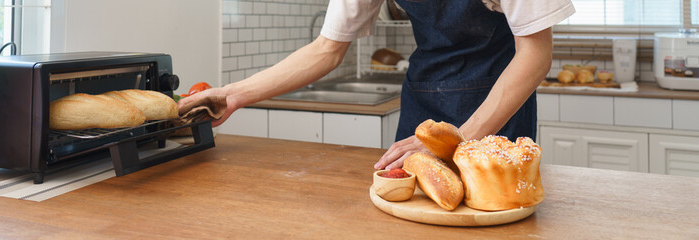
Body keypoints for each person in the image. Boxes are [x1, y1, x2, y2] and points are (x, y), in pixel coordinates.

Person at [179, 0, 575, 170]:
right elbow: (326, 49)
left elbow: (535, 54)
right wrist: (232, 94)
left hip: (494, 105)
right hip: (424, 99)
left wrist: (460, 136)